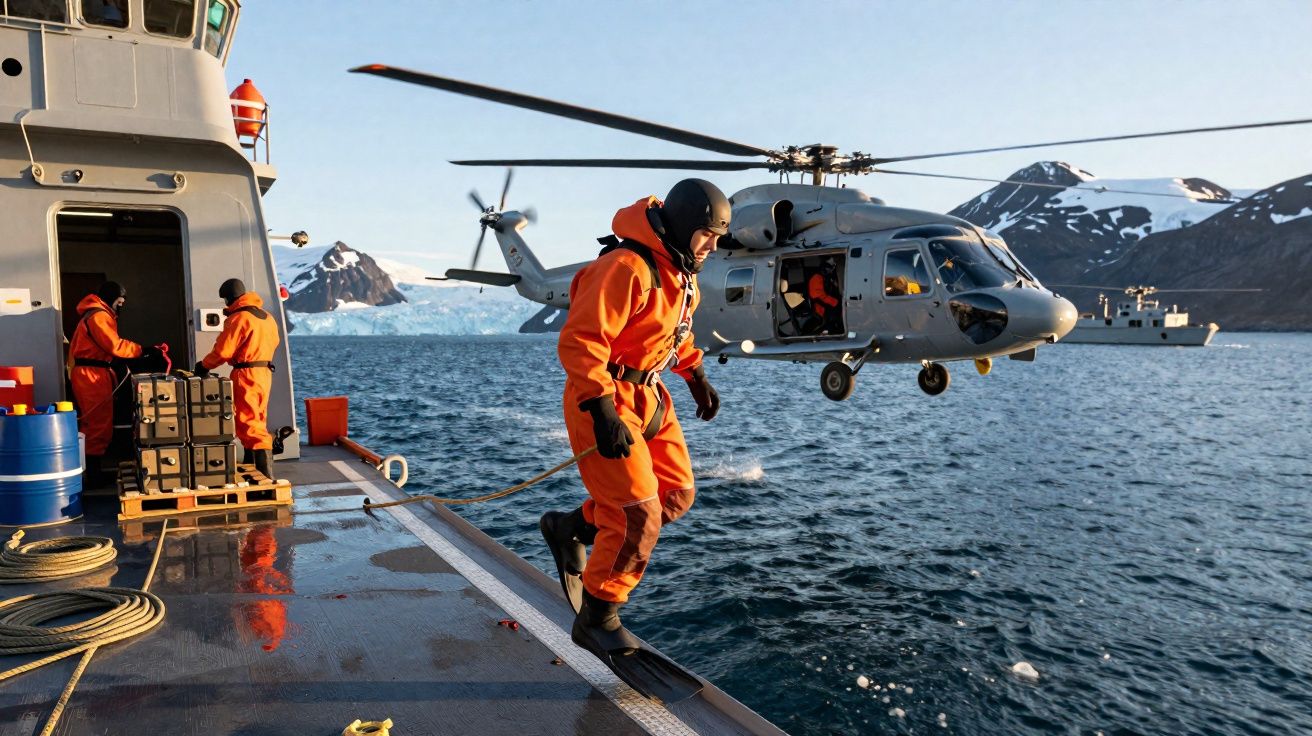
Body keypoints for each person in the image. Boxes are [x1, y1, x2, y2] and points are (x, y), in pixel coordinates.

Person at [541, 178, 727, 668]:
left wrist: (696, 375)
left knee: (674, 496)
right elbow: (581, 341)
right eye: (708, 234)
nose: (713, 245)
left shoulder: (681, 275)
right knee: (638, 516)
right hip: (603, 397)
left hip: (649, 396)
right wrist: (600, 409)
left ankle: (571, 529)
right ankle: (598, 616)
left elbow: (673, 332)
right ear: (686, 226)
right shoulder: (626, 267)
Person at [69, 281, 156, 483]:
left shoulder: (98, 314)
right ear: (111, 297)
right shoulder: (99, 316)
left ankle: (92, 471)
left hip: (96, 373)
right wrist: (142, 350)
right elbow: (114, 345)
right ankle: (92, 474)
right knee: (96, 424)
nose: (122, 303)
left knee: (98, 422)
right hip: (92, 376)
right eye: (120, 299)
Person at [194, 279, 280, 478]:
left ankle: (265, 478)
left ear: (229, 298)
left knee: (248, 423)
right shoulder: (267, 317)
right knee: (258, 419)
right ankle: (253, 469)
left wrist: (203, 366)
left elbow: (223, 351)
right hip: (264, 373)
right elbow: (274, 342)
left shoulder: (239, 318)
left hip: (245, 374)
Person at [807, 257, 842, 334]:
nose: (831, 270)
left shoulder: (826, 278)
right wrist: (836, 302)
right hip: (821, 308)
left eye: (832, 267)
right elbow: (819, 297)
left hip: (827, 304)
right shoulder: (816, 278)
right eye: (829, 267)